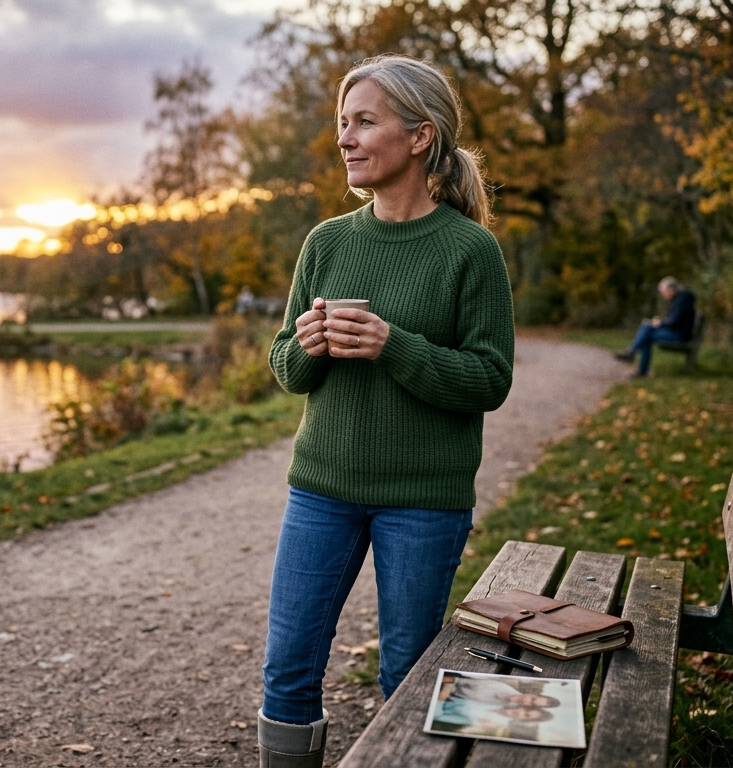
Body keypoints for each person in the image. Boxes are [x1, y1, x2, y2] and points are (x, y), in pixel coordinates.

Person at [257, 54, 515, 767]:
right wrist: (305, 346)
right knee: (288, 670)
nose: (345, 138)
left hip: (422, 502)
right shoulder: (327, 242)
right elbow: (285, 365)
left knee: (405, 679)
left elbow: (490, 379)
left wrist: (394, 346)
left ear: (421, 135)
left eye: (364, 121)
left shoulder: (471, 251)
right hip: (321, 491)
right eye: (343, 123)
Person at [615, 277, 696, 377]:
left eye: (663, 292)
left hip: (679, 335)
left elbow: (675, 321)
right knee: (647, 327)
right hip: (676, 332)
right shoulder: (680, 299)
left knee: (647, 332)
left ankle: (634, 358)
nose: (663, 295)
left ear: (671, 289)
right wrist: (659, 322)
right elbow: (675, 319)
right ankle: (633, 356)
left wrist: (660, 322)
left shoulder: (683, 300)